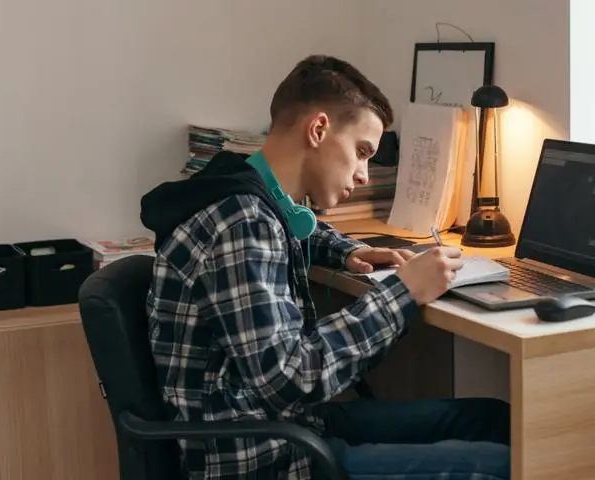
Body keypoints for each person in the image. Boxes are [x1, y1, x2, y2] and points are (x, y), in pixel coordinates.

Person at [141, 54, 510, 479]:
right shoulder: (243, 225)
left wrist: (344, 249)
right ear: (318, 129)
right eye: (361, 152)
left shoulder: (236, 189)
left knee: (490, 418)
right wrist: (403, 291)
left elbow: (294, 225)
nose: (364, 175)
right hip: (266, 458)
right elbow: (292, 379)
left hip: (281, 426)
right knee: (501, 465)